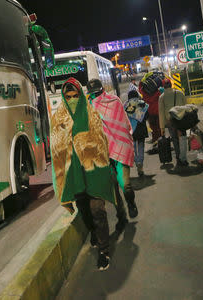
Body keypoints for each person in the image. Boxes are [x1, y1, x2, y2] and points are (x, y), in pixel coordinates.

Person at [51, 77, 114, 270]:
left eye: (75, 95)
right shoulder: (58, 119)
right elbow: (56, 150)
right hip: (75, 176)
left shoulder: (91, 114)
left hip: (93, 171)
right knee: (85, 212)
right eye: (68, 96)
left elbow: (101, 142)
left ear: (80, 94)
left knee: (98, 210)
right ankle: (94, 233)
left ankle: (104, 251)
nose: (72, 99)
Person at [87, 79, 138, 221]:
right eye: (93, 94)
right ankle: (121, 215)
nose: (95, 97)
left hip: (119, 146)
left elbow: (123, 122)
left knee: (125, 184)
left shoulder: (113, 101)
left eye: (96, 93)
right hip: (104, 152)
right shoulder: (90, 108)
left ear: (102, 90)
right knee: (113, 188)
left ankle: (131, 203)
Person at [158, 79, 188, 167]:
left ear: (163, 86)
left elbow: (161, 112)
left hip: (170, 121)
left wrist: (162, 127)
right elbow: (185, 106)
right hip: (181, 119)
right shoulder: (180, 93)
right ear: (171, 84)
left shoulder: (162, 97)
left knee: (175, 139)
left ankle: (178, 158)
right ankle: (184, 158)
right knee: (183, 138)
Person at [124, 90, 149, 176]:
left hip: (131, 130)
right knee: (141, 146)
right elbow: (147, 116)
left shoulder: (126, 105)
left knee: (133, 148)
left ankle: (136, 161)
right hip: (141, 129)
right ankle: (140, 164)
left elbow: (123, 118)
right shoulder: (142, 103)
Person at [139, 79, 161, 148]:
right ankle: (160, 140)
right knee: (159, 127)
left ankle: (155, 140)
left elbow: (140, 90)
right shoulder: (157, 93)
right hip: (158, 112)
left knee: (153, 128)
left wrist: (141, 83)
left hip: (150, 113)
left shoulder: (145, 95)